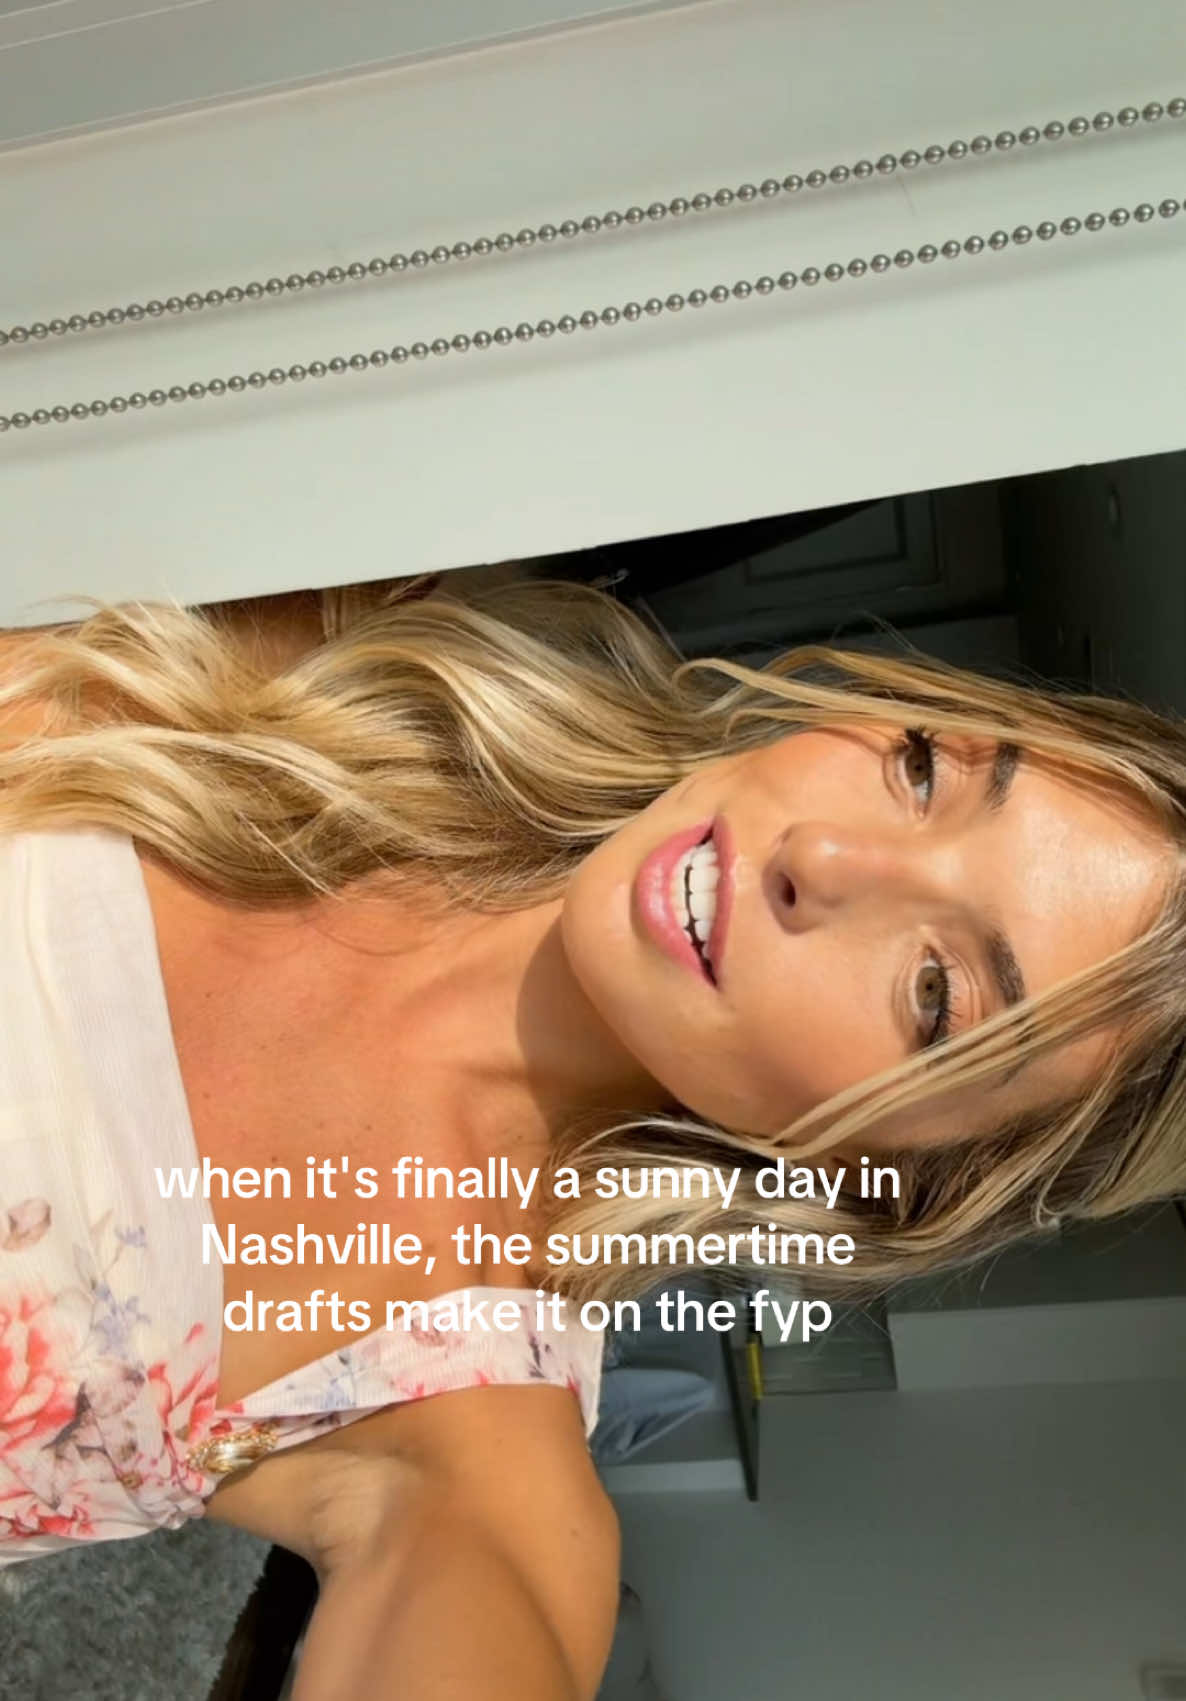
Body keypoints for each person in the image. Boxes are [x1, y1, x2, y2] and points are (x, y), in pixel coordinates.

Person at [0, 568, 1183, 1699]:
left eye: (934, 991)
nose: (824, 858)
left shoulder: (465, 1437)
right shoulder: (342, 636)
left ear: (892, 1168)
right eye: (925, 769)